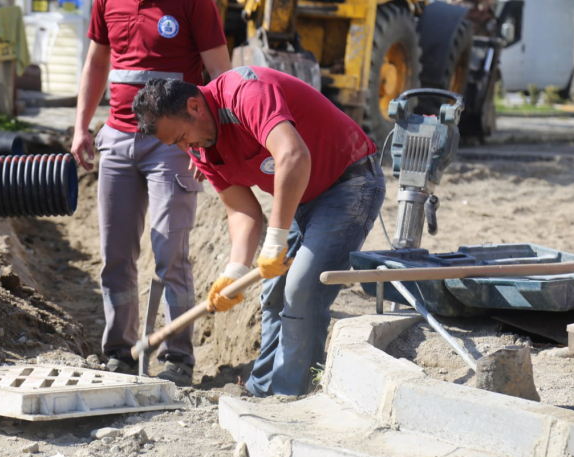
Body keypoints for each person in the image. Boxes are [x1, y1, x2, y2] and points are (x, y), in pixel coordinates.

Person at [131, 66, 386, 397]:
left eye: (181, 137)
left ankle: (290, 396)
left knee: (302, 291)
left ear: (194, 106)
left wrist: (276, 241)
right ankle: (262, 388)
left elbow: (293, 156)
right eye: (176, 143)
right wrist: (235, 272)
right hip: (303, 198)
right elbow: (243, 211)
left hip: (349, 183)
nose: (185, 147)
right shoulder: (200, 146)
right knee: (273, 294)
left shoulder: (245, 93)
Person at [70, 0, 231, 386]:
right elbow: (97, 61)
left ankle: (177, 356)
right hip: (117, 139)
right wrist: (81, 127)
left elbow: (222, 75)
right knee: (115, 254)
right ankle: (120, 353)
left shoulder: (194, 3)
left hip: (173, 145)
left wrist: (211, 145)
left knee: (170, 254)